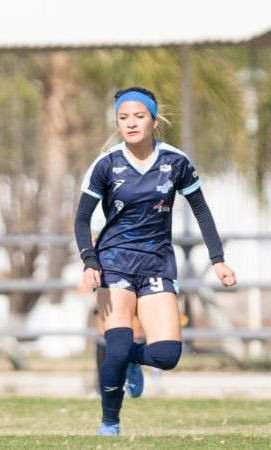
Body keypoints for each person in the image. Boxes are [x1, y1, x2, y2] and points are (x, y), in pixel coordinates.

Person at [74, 86, 237, 437]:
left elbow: (202, 212)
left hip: (157, 264)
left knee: (165, 356)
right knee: (115, 350)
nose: (130, 123)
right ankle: (110, 423)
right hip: (113, 263)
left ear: (153, 119)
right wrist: (90, 260)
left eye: (138, 116)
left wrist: (217, 260)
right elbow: (81, 218)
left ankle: (133, 361)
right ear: (117, 122)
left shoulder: (176, 162)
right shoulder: (107, 164)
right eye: (123, 117)